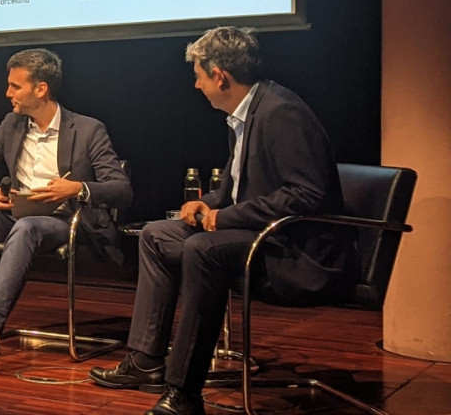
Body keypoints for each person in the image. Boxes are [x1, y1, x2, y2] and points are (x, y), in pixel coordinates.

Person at [89, 27, 352, 415]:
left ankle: (184, 394)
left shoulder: (282, 112)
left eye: (198, 75)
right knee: (157, 235)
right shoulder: (244, 115)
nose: (196, 86)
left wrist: (224, 216)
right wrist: (207, 203)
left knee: (203, 249)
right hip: (257, 234)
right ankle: (145, 361)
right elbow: (239, 187)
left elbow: (306, 194)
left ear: (220, 76)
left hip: (295, 250)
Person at [0, 48, 132, 384]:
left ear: (40, 89)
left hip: (64, 221)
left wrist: (77, 189)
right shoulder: (11, 125)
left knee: (26, 228)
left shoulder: (88, 129)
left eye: (15, 86)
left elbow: (121, 188)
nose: (7, 93)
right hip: (15, 215)